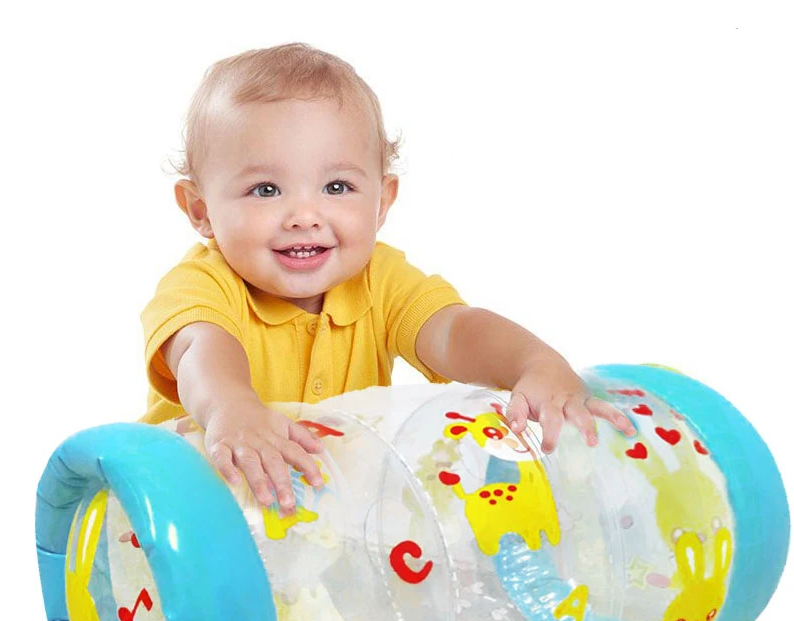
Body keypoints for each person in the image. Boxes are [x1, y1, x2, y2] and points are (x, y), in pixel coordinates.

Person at [141, 43, 636, 517]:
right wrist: (231, 409)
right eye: (265, 190)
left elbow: (453, 331)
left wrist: (535, 362)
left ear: (382, 202)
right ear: (200, 210)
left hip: (321, 524)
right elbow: (203, 349)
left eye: (337, 186)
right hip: (182, 512)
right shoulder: (200, 285)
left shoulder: (381, 280)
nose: (304, 216)